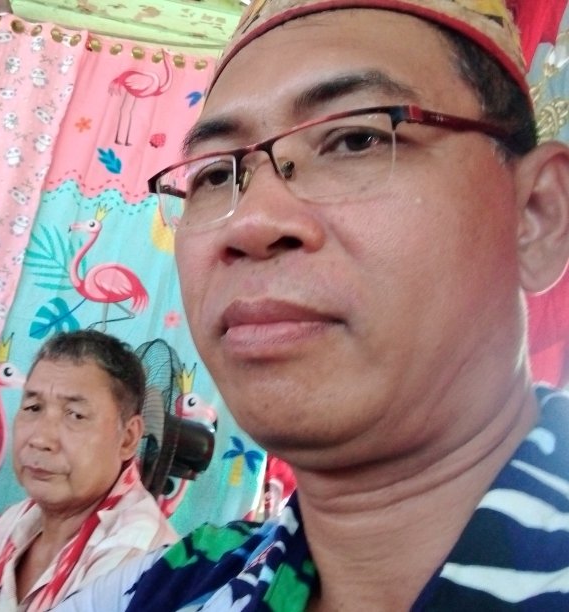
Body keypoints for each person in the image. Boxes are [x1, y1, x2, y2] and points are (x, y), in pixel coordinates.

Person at [53, 0, 569, 609]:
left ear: (535, 216)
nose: (250, 223)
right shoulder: (159, 590)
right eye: (216, 174)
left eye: (355, 139)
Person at [0, 330, 178, 611]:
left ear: (128, 438)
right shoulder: (15, 521)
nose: (40, 439)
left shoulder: (139, 558)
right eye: (33, 407)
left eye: (75, 415)